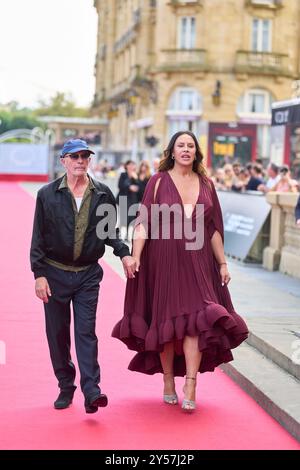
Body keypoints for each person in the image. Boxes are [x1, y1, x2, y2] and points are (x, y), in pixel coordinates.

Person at [112, 131, 248, 412]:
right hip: (163, 261)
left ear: (196, 152)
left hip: (198, 263)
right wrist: (136, 255)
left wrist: (222, 263)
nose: (186, 149)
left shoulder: (207, 184)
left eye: (190, 146)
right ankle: (168, 381)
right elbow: (143, 222)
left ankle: (191, 382)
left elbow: (213, 230)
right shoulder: (159, 181)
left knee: (198, 320)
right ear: (172, 152)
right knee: (167, 324)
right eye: (180, 145)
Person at [30, 139, 136, 414]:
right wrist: (39, 274)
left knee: (85, 331)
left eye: (85, 156)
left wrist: (124, 253)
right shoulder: (47, 194)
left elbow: (109, 230)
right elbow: (38, 238)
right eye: (74, 156)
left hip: (88, 275)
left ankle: (92, 391)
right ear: (63, 161)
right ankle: (66, 385)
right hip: (54, 274)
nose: (80, 161)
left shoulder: (102, 193)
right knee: (58, 334)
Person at [116, 160, 140, 241]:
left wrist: (135, 178)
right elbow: (120, 185)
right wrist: (129, 187)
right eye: (129, 165)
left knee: (131, 218)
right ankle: (121, 235)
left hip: (133, 199)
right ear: (126, 166)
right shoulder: (123, 175)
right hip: (123, 198)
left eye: (133, 165)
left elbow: (139, 187)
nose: (131, 166)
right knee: (123, 218)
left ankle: (129, 236)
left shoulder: (136, 175)